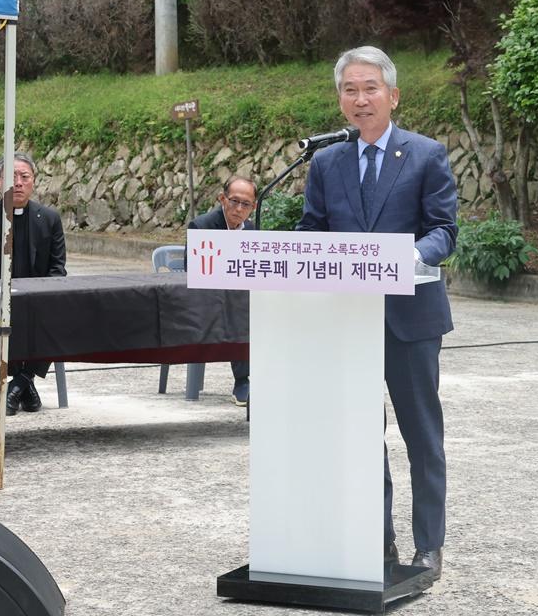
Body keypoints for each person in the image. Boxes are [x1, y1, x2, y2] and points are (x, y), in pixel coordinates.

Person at [297, 46, 458, 577]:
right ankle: (378, 539)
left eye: (370, 88)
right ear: (340, 99)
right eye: (350, 90)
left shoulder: (425, 154)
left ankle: (428, 545)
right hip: (347, 320)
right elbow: (313, 230)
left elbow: (444, 230)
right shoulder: (326, 161)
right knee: (363, 437)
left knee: (420, 435)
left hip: (409, 318)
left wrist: (411, 256)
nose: (360, 99)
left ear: (393, 95)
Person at [0, 151, 66, 415]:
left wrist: (39, 295)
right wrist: (4, 296)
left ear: (34, 182)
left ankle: (20, 383)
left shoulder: (50, 219)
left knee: (60, 315)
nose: (18, 183)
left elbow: (57, 269)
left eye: (25, 176)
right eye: (11, 177)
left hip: (38, 302)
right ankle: (26, 387)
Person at [187, 176, 257, 405]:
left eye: (245, 204)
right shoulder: (202, 226)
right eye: (234, 201)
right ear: (222, 199)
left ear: (253, 207)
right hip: (209, 300)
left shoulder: (253, 231)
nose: (239, 209)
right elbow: (194, 273)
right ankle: (243, 381)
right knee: (241, 311)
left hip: (243, 299)